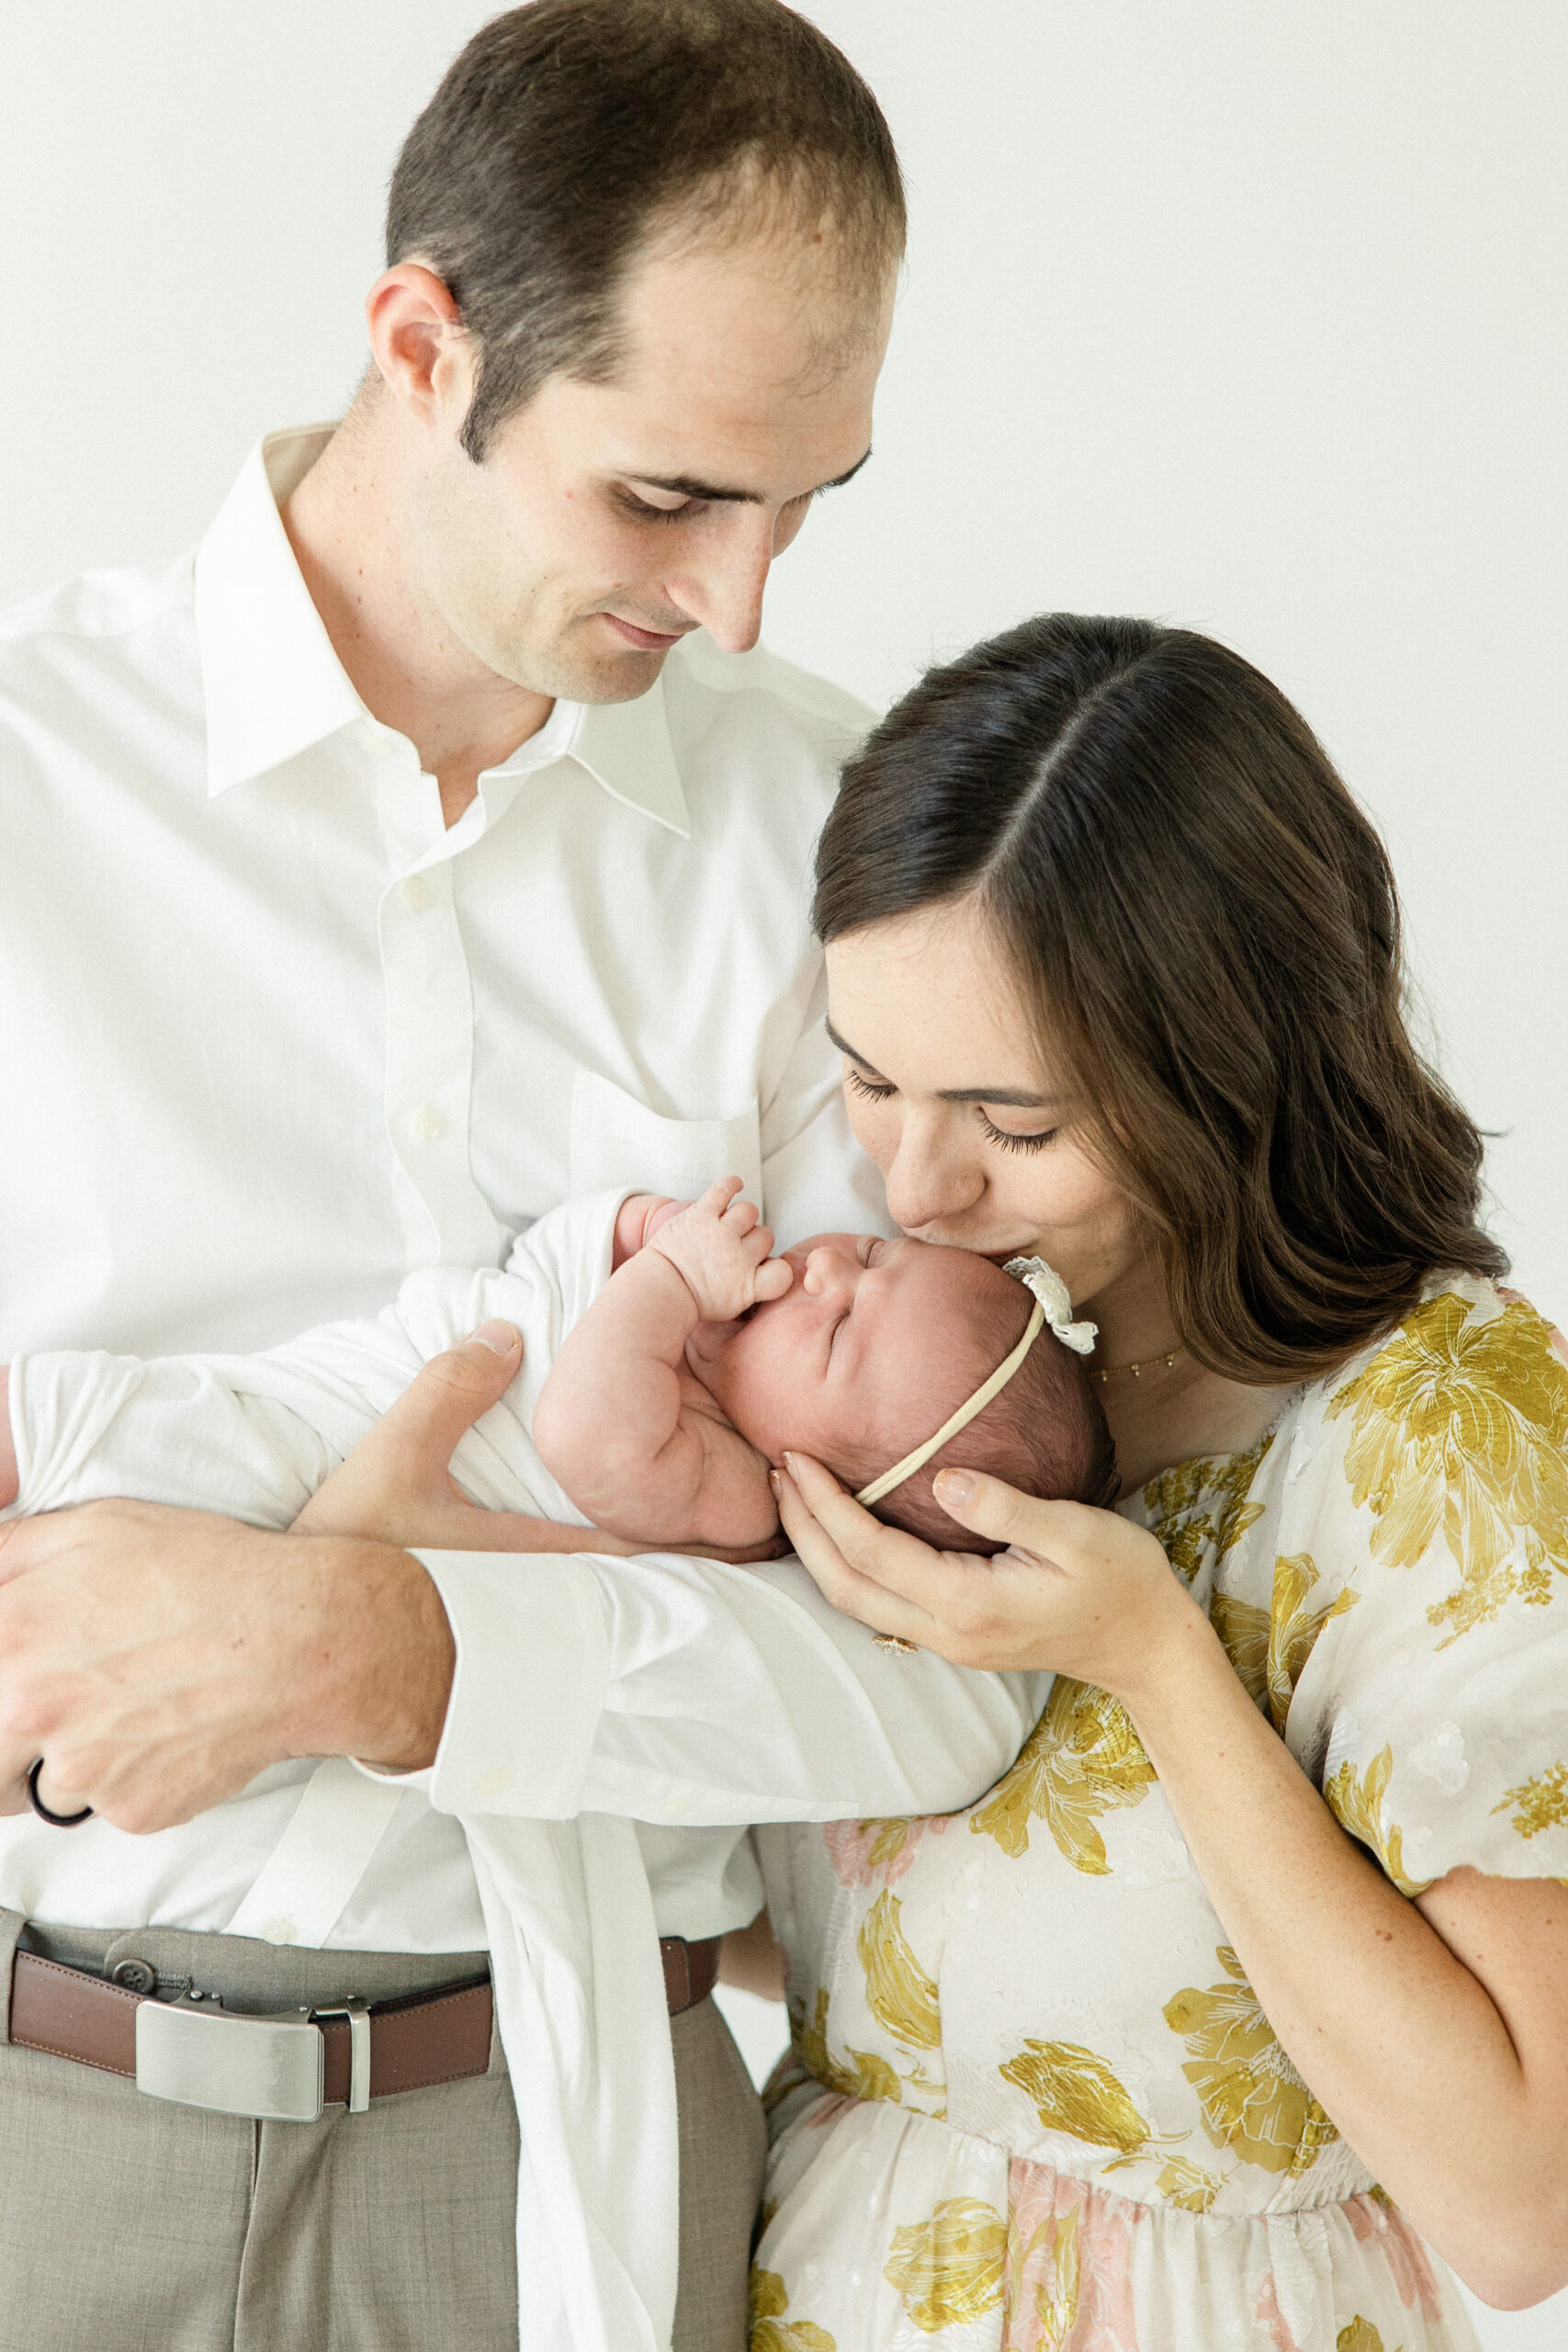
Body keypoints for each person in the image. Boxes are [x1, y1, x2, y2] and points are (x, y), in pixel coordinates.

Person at [0, 9, 1047, 2349]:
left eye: (807, 504)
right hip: (32, 2130)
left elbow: (947, 1676)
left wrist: (391, 1642)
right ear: (418, 342)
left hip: (564, 2150)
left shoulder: (835, 844)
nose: (742, 603)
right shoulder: (23, 797)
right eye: (667, 497)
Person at [749, 613, 1568, 2348]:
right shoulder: (934, 1374)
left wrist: (1154, 1664)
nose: (913, 1185)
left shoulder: (1434, 1427)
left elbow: (1521, 2202)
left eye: (1017, 1126)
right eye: (868, 1081)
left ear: (1233, 1074)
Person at [1, 1178, 1116, 1553]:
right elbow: (536, 1280)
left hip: (292, 1477)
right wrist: (628, 1227)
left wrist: (671, 1280)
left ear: (824, 1483)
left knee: (80, 1418)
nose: (822, 1269)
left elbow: (581, 1430)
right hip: (316, 1395)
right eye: (871, 1255)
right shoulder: (690, 1351)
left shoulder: (735, 1495)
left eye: (834, 1332)